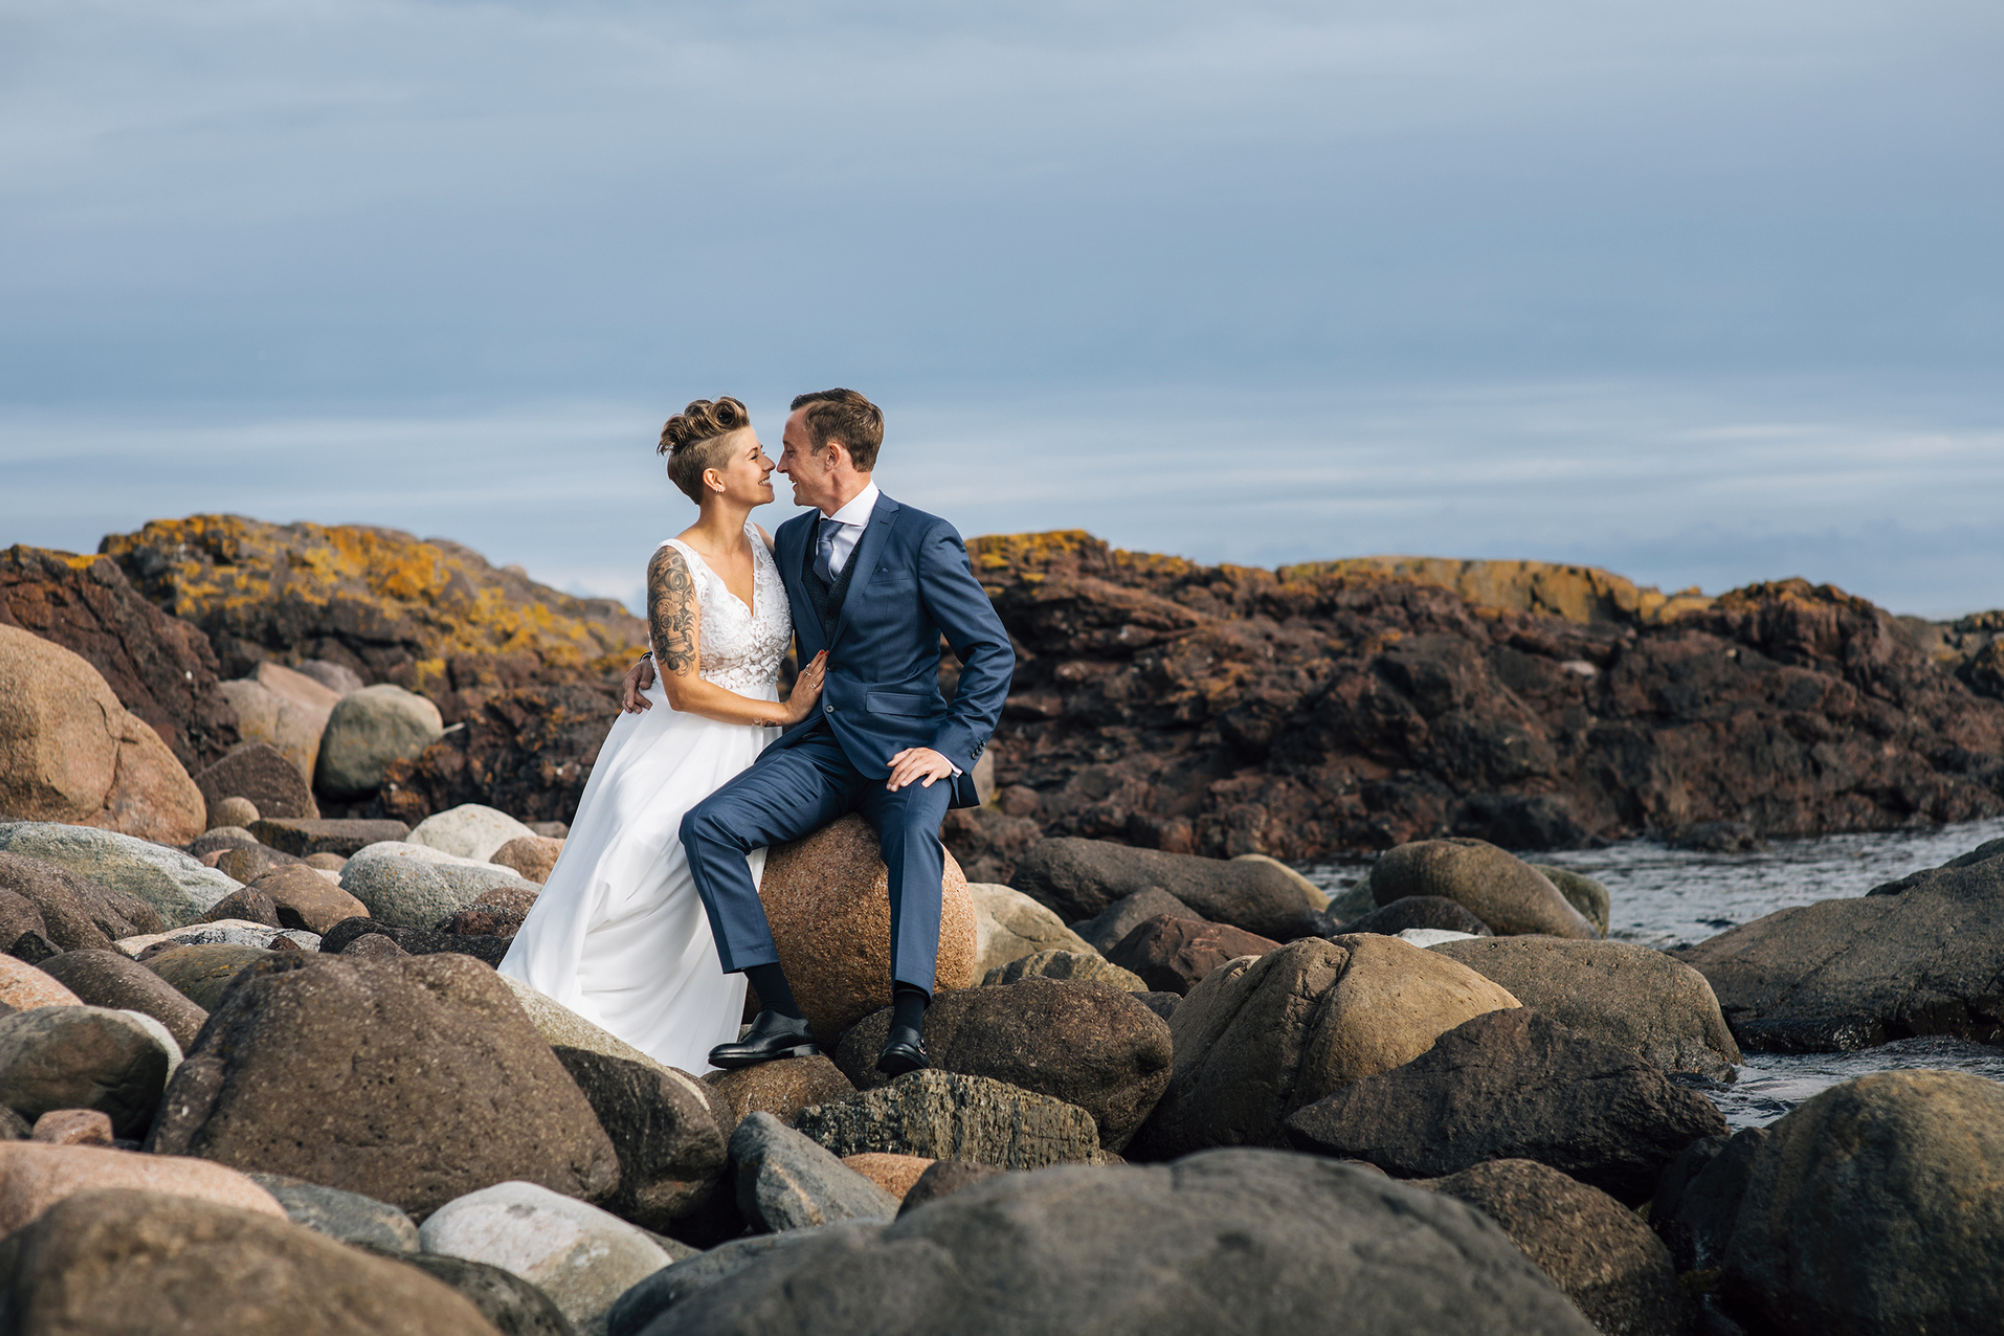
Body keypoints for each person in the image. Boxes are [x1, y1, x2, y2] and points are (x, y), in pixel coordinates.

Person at [629, 388, 1014, 1076]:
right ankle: (780, 1013)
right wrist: (657, 659)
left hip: (906, 751)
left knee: (912, 837)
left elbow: (991, 652)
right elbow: (731, 612)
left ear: (831, 455)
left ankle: (908, 1022)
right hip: (817, 751)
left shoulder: (924, 537)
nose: (779, 465)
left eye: (790, 450)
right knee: (708, 828)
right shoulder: (793, 538)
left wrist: (949, 751)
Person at [498, 397, 827, 1074]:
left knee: (705, 896)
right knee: (633, 882)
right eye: (754, 455)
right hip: (680, 746)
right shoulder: (673, 560)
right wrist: (787, 714)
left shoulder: (769, 545)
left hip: (751, 747)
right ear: (715, 479)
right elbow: (682, 688)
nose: (769, 463)